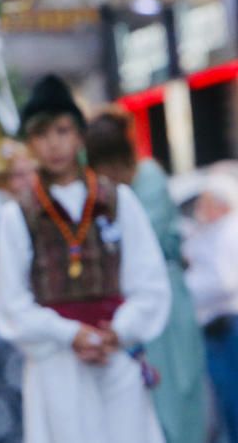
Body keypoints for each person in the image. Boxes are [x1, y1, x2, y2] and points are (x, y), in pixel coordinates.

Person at [0, 74, 170, 443]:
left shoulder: (118, 200)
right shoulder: (19, 214)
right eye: (42, 134)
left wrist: (117, 331)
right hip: (57, 362)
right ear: (30, 143)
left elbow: (149, 281)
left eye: (62, 130)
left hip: (115, 355)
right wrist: (70, 334)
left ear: (79, 135)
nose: (54, 144)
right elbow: (11, 304)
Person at [85, 110, 207, 443]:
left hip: (166, 303)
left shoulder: (147, 176)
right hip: (125, 308)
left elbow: (137, 244)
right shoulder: (99, 192)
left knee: (177, 396)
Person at [183, 171, 238, 443]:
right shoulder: (206, 232)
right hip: (211, 328)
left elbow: (224, 280)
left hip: (227, 325)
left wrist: (185, 289)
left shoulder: (230, 230)